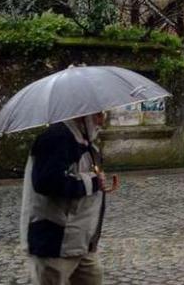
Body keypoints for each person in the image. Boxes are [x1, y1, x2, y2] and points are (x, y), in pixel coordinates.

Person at [20, 112, 118, 285]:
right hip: (54, 243)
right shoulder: (55, 138)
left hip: (82, 242)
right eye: (98, 114)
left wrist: (97, 180)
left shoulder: (83, 139)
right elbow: (47, 182)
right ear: (82, 114)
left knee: (93, 277)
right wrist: (93, 182)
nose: (102, 120)